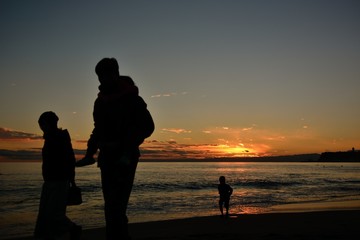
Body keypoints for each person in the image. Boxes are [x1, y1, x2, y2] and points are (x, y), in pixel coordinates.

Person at [77, 58, 154, 240]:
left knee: (116, 206)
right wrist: (91, 151)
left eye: (105, 75)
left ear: (115, 73)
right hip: (107, 158)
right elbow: (98, 129)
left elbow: (148, 127)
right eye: (99, 76)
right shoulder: (100, 102)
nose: (101, 80)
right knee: (111, 206)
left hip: (125, 158)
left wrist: (125, 144)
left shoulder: (133, 99)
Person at [34, 111, 81, 240]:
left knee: (54, 214)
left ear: (48, 124)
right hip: (50, 181)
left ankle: (73, 229)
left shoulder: (58, 138)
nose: (41, 127)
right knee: (45, 214)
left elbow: (69, 159)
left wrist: (72, 180)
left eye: (42, 124)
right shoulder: (51, 138)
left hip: (59, 181)